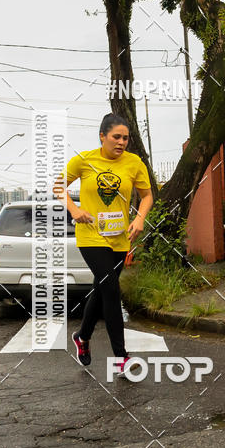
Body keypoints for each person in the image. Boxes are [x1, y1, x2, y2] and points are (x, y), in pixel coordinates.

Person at [55, 113, 153, 372]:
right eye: (116, 137)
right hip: (90, 235)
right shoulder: (85, 160)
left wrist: (140, 218)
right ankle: (121, 357)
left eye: (125, 138)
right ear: (102, 136)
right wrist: (74, 210)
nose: (121, 142)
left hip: (120, 238)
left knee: (101, 289)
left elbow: (147, 196)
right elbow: (57, 186)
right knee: (110, 288)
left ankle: (82, 337)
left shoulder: (134, 163)